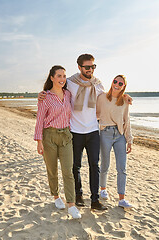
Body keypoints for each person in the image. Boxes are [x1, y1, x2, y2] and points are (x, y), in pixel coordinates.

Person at [39, 54, 108, 210]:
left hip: (92, 131)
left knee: (94, 165)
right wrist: (41, 94)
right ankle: (78, 196)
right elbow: (54, 90)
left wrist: (125, 97)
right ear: (79, 67)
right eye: (87, 67)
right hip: (75, 132)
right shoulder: (70, 82)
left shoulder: (98, 85)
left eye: (93, 66)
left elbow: (109, 99)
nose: (91, 70)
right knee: (75, 166)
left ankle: (95, 200)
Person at [34, 65, 81, 219]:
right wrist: (39, 141)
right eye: (59, 76)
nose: (62, 79)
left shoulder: (68, 94)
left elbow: (87, 94)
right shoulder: (45, 97)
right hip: (49, 136)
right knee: (52, 170)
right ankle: (56, 196)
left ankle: (71, 205)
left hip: (66, 136)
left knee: (68, 171)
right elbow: (40, 119)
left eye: (64, 76)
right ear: (52, 78)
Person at [96, 75, 133, 209]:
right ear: (112, 82)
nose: (117, 84)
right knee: (105, 164)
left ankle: (121, 199)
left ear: (123, 87)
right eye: (115, 81)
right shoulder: (101, 97)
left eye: (120, 84)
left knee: (122, 168)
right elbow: (94, 113)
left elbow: (127, 121)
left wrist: (129, 140)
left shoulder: (124, 101)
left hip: (120, 136)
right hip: (105, 133)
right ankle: (103, 189)